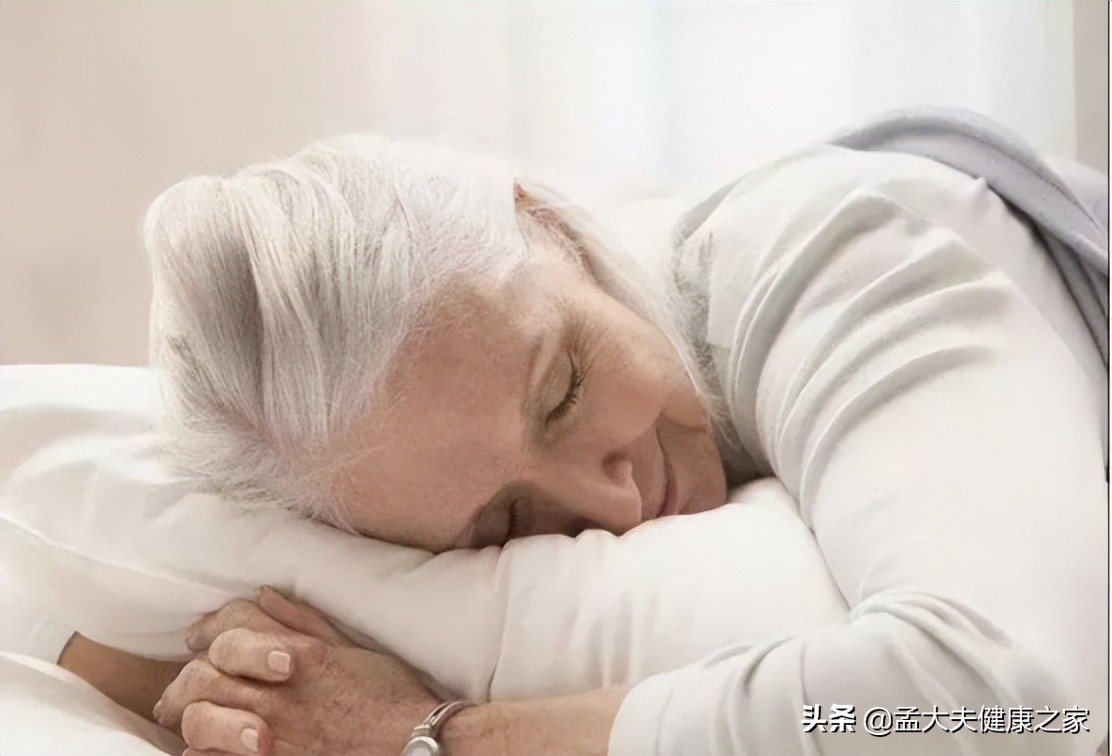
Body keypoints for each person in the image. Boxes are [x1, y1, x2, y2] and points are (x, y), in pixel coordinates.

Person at [61, 131, 1107, 755]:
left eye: (559, 393)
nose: (608, 507)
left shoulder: (831, 253)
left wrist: (433, 736)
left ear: (547, 229)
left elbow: (1023, 705)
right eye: (502, 520)